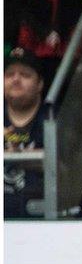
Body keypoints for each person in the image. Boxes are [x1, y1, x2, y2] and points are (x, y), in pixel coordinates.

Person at [4, 47, 46, 218]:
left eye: (25, 75)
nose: (16, 80)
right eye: (9, 74)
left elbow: (66, 167)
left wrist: (18, 155)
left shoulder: (55, 118)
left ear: (40, 84)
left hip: (43, 221)